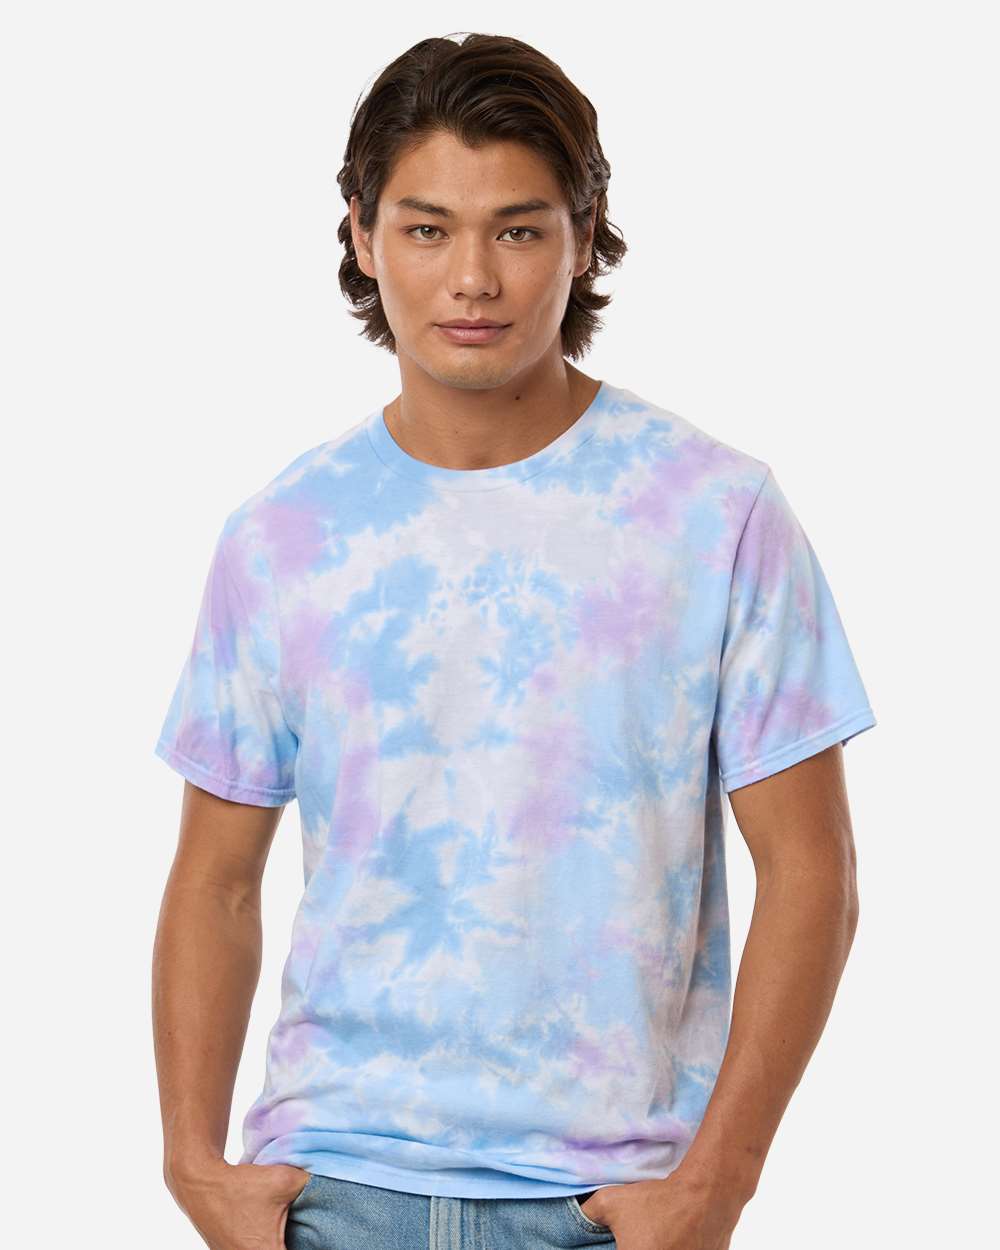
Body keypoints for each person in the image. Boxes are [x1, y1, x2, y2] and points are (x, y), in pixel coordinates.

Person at [152, 31, 877, 1250]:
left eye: (520, 229)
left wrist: (719, 1183)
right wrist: (190, 1163)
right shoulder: (284, 535)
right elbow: (216, 877)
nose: (472, 278)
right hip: (332, 1188)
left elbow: (812, 870)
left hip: (608, 1198)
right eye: (427, 228)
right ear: (361, 235)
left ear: (584, 237)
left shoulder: (714, 512)